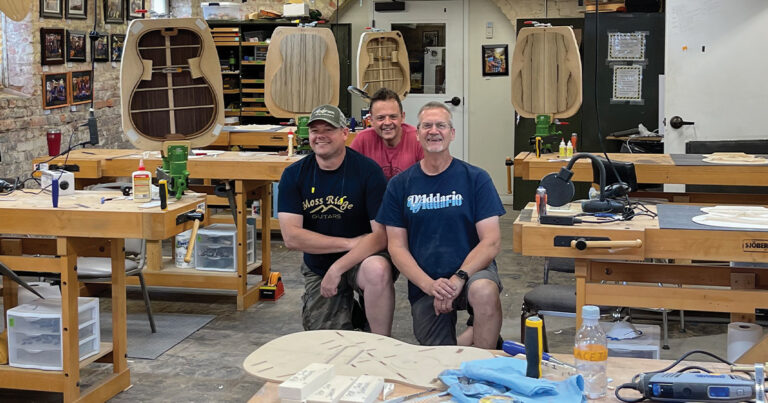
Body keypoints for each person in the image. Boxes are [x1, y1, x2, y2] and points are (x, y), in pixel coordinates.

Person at [376, 101, 506, 348]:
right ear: (417, 134)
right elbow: (396, 247)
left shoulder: (476, 178)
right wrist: (430, 285)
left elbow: (491, 242)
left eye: (441, 125)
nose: (433, 131)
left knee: (484, 291)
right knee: (437, 357)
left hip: (471, 271)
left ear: (452, 133)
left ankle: (484, 359)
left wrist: (459, 278)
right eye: (427, 126)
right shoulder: (400, 185)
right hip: (427, 280)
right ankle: (473, 337)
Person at [278, 104, 396, 336]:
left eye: (328, 129)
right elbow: (291, 238)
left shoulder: (368, 171)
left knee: (377, 269)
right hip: (319, 264)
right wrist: (349, 243)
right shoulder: (294, 175)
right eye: (315, 130)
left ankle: (381, 342)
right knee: (327, 341)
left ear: (344, 133)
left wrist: (338, 267)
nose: (320, 135)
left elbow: (381, 236)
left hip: (363, 257)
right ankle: (353, 314)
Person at [350, 88, 423, 180]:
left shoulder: (418, 139)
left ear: (402, 117)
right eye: (381, 118)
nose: (387, 122)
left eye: (393, 117)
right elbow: (349, 176)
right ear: (371, 120)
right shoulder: (362, 140)